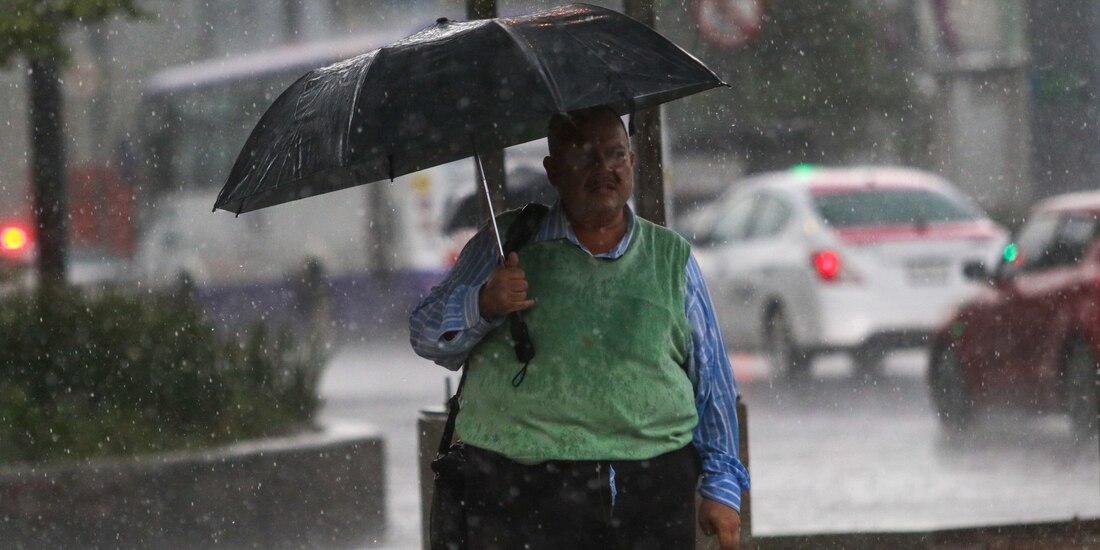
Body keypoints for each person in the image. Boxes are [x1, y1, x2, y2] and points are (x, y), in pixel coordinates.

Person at [409, 106, 748, 550]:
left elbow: (712, 383)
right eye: (584, 157)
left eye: (614, 154)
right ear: (553, 170)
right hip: (516, 491)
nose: (603, 169)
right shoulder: (506, 242)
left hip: (649, 490)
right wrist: (483, 304)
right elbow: (427, 335)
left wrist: (722, 485)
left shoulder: (672, 258)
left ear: (632, 162)